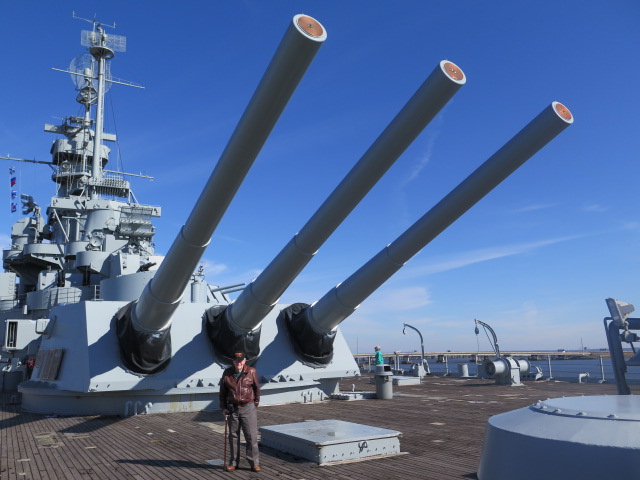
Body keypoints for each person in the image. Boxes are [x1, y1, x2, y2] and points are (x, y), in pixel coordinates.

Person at [219, 352, 261, 472]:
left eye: (241, 360)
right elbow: (222, 393)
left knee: (251, 436)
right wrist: (224, 408)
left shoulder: (251, 372)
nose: (239, 363)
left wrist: (254, 404)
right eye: (236, 360)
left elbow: (257, 390)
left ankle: (254, 463)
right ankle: (233, 463)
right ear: (233, 361)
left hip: (248, 407)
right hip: (232, 409)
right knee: (233, 437)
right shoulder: (227, 373)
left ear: (245, 360)